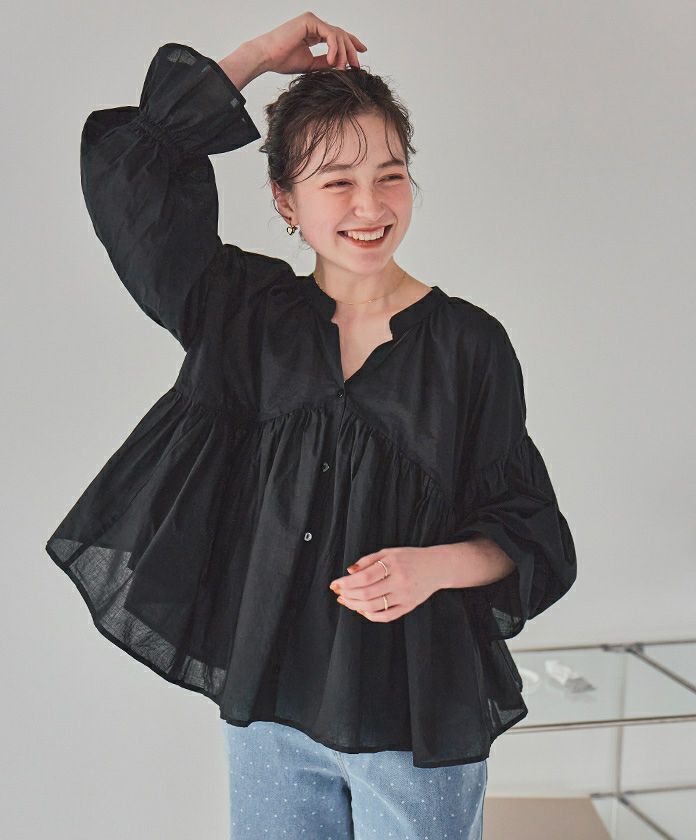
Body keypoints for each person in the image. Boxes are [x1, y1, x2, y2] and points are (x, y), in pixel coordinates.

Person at [46, 12, 577, 839]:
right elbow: (131, 172)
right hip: (270, 710)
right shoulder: (244, 315)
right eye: (336, 182)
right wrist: (259, 56)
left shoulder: (468, 345)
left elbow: (529, 529)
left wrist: (432, 567)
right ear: (284, 200)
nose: (370, 206)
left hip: (416, 714)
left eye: (390, 175)